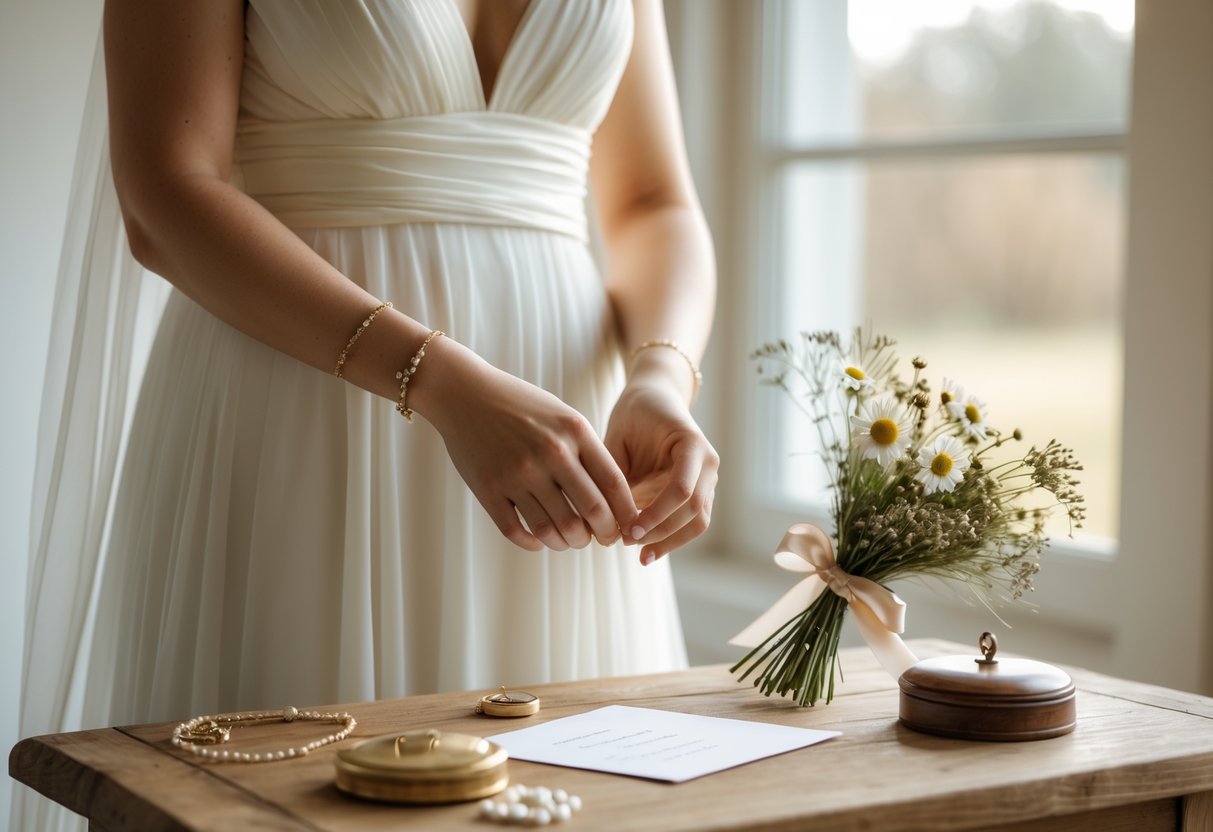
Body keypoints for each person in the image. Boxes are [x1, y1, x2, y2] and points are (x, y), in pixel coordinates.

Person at [17, 1, 715, 825]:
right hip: (307, 401)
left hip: (563, 435)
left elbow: (650, 200)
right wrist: (446, 386)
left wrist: (661, 377)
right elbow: (165, 194)